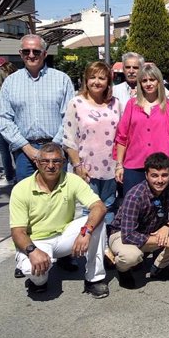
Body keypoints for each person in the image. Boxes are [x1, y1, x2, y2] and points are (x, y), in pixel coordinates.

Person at [9, 142, 109, 298]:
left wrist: (85, 231)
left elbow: (99, 207)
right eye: (45, 161)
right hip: (37, 241)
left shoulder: (71, 180)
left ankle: (94, 279)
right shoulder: (21, 189)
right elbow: (17, 231)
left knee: (98, 223)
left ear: (63, 163)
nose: (50, 166)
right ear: (37, 163)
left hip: (63, 235)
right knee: (34, 273)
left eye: (56, 161)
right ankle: (38, 281)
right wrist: (32, 251)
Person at [108, 152, 169, 289]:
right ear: (146, 175)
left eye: (164, 175)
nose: (160, 180)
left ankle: (158, 268)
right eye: (154, 175)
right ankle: (123, 271)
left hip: (154, 230)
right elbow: (128, 235)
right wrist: (164, 240)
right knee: (130, 256)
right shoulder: (135, 196)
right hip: (122, 234)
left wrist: (167, 226)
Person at [0, 34, 75, 183]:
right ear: (20, 54)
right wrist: (27, 148)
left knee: (57, 198)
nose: (31, 55)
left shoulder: (62, 79)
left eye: (36, 51)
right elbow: (5, 119)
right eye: (26, 51)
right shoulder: (10, 82)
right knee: (28, 200)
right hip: (24, 152)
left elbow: (70, 118)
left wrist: (53, 147)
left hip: (56, 148)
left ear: (44, 54)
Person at [62, 61, 122, 224]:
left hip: (111, 167)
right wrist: (77, 166)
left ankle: (105, 245)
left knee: (109, 206)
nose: (97, 82)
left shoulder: (115, 103)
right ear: (86, 80)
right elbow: (69, 139)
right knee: (89, 208)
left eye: (102, 78)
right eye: (92, 77)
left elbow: (122, 136)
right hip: (86, 167)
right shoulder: (76, 103)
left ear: (108, 82)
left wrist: (119, 165)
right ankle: (88, 245)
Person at [114, 63, 169, 195]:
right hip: (134, 165)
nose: (148, 84)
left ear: (159, 82)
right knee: (133, 208)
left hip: (161, 168)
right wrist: (119, 165)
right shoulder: (132, 105)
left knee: (159, 210)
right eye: (144, 80)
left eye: (152, 80)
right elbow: (122, 137)